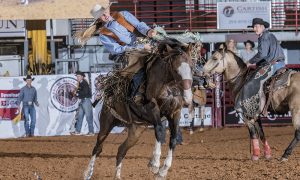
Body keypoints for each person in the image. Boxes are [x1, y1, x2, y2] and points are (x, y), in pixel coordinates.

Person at [89, 4, 157, 104]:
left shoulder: (123, 14)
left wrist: (148, 31)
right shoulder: (103, 34)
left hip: (146, 41)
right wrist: (141, 47)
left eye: (105, 13)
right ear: (99, 19)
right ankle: (134, 97)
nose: (106, 16)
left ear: (108, 11)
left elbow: (138, 25)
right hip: (130, 53)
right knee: (137, 72)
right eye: (102, 15)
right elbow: (117, 49)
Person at [72, 71, 94, 136]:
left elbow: (85, 92)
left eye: (78, 76)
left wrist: (77, 93)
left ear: (82, 77)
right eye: (77, 76)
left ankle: (91, 132)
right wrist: (76, 94)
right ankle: (77, 131)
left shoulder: (84, 83)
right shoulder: (81, 83)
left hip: (86, 100)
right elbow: (81, 93)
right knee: (80, 116)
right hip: (83, 101)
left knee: (88, 117)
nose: (77, 77)